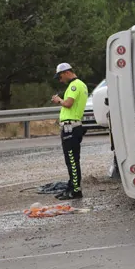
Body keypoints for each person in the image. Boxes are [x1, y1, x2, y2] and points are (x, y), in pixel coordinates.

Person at [51, 62, 88, 200]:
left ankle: (76, 190)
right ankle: (71, 187)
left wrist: (58, 100)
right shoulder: (80, 85)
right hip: (73, 127)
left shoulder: (74, 85)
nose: (60, 80)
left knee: (72, 160)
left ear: (67, 72)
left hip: (70, 128)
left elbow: (68, 103)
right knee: (72, 160)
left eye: (60, 77)